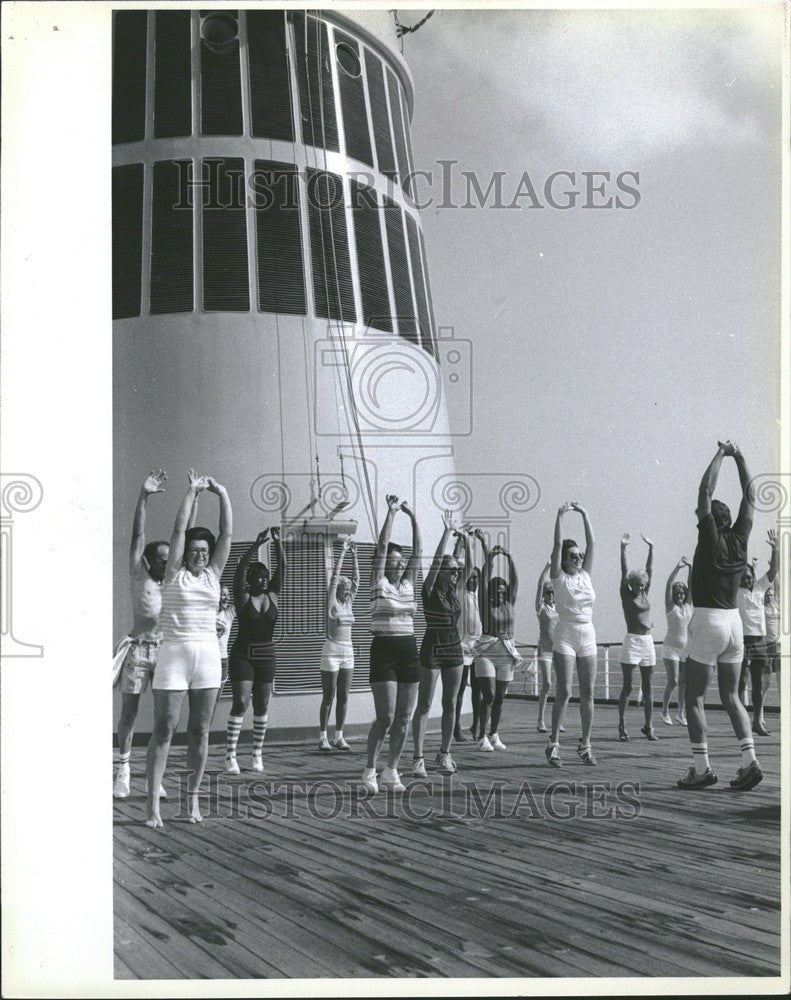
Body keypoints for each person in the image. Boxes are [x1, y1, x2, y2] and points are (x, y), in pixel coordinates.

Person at [145, 470, 232, 826]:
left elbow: (227, 533)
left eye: (204, 551)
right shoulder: (173, 576)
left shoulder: (213, 574)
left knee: (199, 730)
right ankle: (152, 805)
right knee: (165, 728)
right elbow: (178, 531)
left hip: (208, 658)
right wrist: (191, 493)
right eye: (195, 550)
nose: (199, 554)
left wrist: (222, 492)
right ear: (185, 555)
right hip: (174, 656)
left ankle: (191, 801)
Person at [678, 440, 762, 791]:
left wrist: (719, 453)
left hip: (710, 620)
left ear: (711, 518)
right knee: (732, 697)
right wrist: (739, 456)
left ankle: (702, 768)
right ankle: (749, 761)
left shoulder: (709, 536)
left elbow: (705, 488)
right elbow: (751, 497)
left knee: (694, 697)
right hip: (735, 625)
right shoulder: (742, 538)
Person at [113, 470, 169, 800]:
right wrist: (144, 496)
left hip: (164, 649)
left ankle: (155, 774)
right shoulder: (140, 574)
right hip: (138, 648)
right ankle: (123, 771)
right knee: (129, 711)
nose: (166, 564)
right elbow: (138, 533)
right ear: (149, 562)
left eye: (168, 560)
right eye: (161, 560)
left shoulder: (171, 582)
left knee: (165, 714)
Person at [361, 495, 422, 794]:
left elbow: (418, 552)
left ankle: (392, 770)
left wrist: (413, 518)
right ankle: (370, 769)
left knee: (404, 717)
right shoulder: (379, 583)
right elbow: (383, 547)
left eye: (401, 562)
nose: (397, 565)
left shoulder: (408, 584)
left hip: (409, 650)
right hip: (384, 650)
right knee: (385, 716)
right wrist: (392, 513)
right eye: (393, 562)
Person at [225, 526, 286, 775]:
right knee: (240, 701)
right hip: (242, 655)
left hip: (266, 656)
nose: (261, 579)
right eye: (257, 576)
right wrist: (256, 545)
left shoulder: (273, 594)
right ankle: (230, 755)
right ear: (251, 580)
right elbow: (239, 571)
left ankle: (257, 754)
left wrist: (279, 543)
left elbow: (283, 569)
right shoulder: (243, 597)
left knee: (261, 705)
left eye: (264, 576)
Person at [412, 512, 466, 776]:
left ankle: (444, 753)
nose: (456, 574)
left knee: (451, 703)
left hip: (454, 647)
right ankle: (418, 757)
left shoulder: (452, 593)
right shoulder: (430, 590)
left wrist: (463, 540)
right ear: (442, 572)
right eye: (452, 571)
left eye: (458, 571)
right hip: (433, 645)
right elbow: (436, 563)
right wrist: (446, 533)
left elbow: (458, 559)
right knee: (424, 704)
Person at [546, 502, 597, 767]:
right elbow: (556, 546)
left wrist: (584, 513)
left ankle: (585, 744)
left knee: (588, 693)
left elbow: (592, 542)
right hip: (565, 632)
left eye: (579, 556)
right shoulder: (559, 578)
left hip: (587, 632)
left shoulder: (586, 575)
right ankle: (554, 744)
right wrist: (559, 515)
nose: (578, 558)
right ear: (564, 559)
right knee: (564, 691)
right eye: (573, 556)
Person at [474, 536, 522, 751]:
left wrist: (510, 558)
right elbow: (484, 578)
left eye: (504, 592)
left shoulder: (509, 601)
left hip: (506, 651)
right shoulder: (485, 603)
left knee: (500, 697)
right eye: (497, 592)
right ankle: (481, 736)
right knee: (490, 695)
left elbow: (516, 581)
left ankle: (494, 734)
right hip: (486, 650)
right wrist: (490, 556)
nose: (501, 595)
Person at [318, 537, 359, 751]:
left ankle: (339, 736)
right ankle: (323, 737)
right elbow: (334, 578)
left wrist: (354, 555)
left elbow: (357, 579)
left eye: (349, 589)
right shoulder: (332, 602)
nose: (348, 591)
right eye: (345, 588)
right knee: (329, 695)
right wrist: (342, 553)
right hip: (331, 650)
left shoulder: (349, 603)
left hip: (348, 650)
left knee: (344, 695)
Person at [736, 530, 778, 736]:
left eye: (749, 577)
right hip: (742, 641)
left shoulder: (760, 588)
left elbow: (774, 570)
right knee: (741, 682)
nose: (747, 580)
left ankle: (756, 721)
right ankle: (741, 719)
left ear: (753, 576)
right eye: (743, 578)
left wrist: (775, 548)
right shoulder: (736, 593)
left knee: (759, 683)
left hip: (760, 641)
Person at [617, 533, 658, 742]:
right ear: (631, 584)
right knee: (627, 687)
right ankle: (622, 725)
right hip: (632, 640)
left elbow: (649, 570)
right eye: (638, 585)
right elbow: (624, 571)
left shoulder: (644, 593)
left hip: (647, 641)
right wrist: (623, 548)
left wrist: (651, 548)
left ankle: (648, 727)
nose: (641, 588)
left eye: (643, 585)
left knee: (648, 688)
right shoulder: (626, 593)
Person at [453, 528, 482, 743]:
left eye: (476, 579)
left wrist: (476, 541)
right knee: (460, 688)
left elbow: (481, 568)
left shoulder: (474, 595)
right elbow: (458, 563)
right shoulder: (459, 591)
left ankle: (476, 726)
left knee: (478, 688)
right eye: (470, 578)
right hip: (462, 645)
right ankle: (456, 727)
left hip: (477, 646)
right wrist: (464, 543)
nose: (473, 581)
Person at [660, 557, 693, 726]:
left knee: (683, 683)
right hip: (671, 648)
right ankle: (665, 710)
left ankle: (680, 714)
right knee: (672, 681)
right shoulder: (670, 606)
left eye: (682, 593)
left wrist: (690, 567)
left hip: (685, 649)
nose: (680, 595)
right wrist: (677, 568)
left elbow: (691, 584)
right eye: (677, 593)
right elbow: (668, 584)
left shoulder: (688, 605)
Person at [534, 562, 559, 733]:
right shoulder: (541, 608)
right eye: (548, 593)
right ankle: (540, 720)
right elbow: (539, 585)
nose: (550, 595)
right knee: (547, 684)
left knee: (560, 686)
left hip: (558, 649)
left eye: (552, 593)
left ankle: (557, 721)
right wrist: (546, 569)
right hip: (545, 650)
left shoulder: (558, 608)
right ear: (544, 595)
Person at [763, 582, 781, 703]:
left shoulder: (777, 606)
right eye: (767, 595)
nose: (769, 597)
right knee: (766, 683)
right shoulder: (760, 608)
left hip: (777, 647)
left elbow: (778, 588)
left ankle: (783, 712)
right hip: (766, 647)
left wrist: (775, 571)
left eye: (771, 595)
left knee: (781, 682)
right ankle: (760, 712)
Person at [216, 585, 235, 688]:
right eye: (223, 595)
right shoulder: (207, 613)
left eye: (228, 595)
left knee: (216, 700)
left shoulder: (228, 614)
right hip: (208, 660)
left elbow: (241, 596)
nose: (227, 598)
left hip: (223, 660)